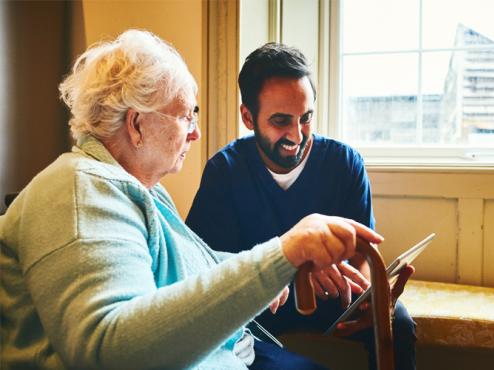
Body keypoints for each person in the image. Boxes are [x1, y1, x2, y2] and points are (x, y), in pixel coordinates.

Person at [0, 30, 385, 370]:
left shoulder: (141, 191)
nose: (196, 133)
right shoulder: (79, 191)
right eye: (186, 116)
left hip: (235, 352)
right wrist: (282, 254)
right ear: (136, 125)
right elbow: (109, 349)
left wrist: (287, 265)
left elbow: (187, 272)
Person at [186, 42, 417, 370]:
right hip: (262, 305)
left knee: (398, 323)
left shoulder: (344, 163)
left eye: (306, 118)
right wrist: (294, 267)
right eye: (281, 121)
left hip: (334, 299)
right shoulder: (225, 172)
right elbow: (204, 268)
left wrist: (370, 295)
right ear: (248, 117)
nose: (297, 134)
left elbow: (360, 254)